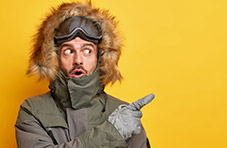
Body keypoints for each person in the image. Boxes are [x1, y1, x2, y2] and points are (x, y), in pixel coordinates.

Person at [15, 1, 155, 148]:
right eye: (68, 51)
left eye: (87, 51)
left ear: (100, 57)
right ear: (54, 58)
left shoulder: (124, 115)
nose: (78, 60)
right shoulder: (33, 109)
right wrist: (111, 133)